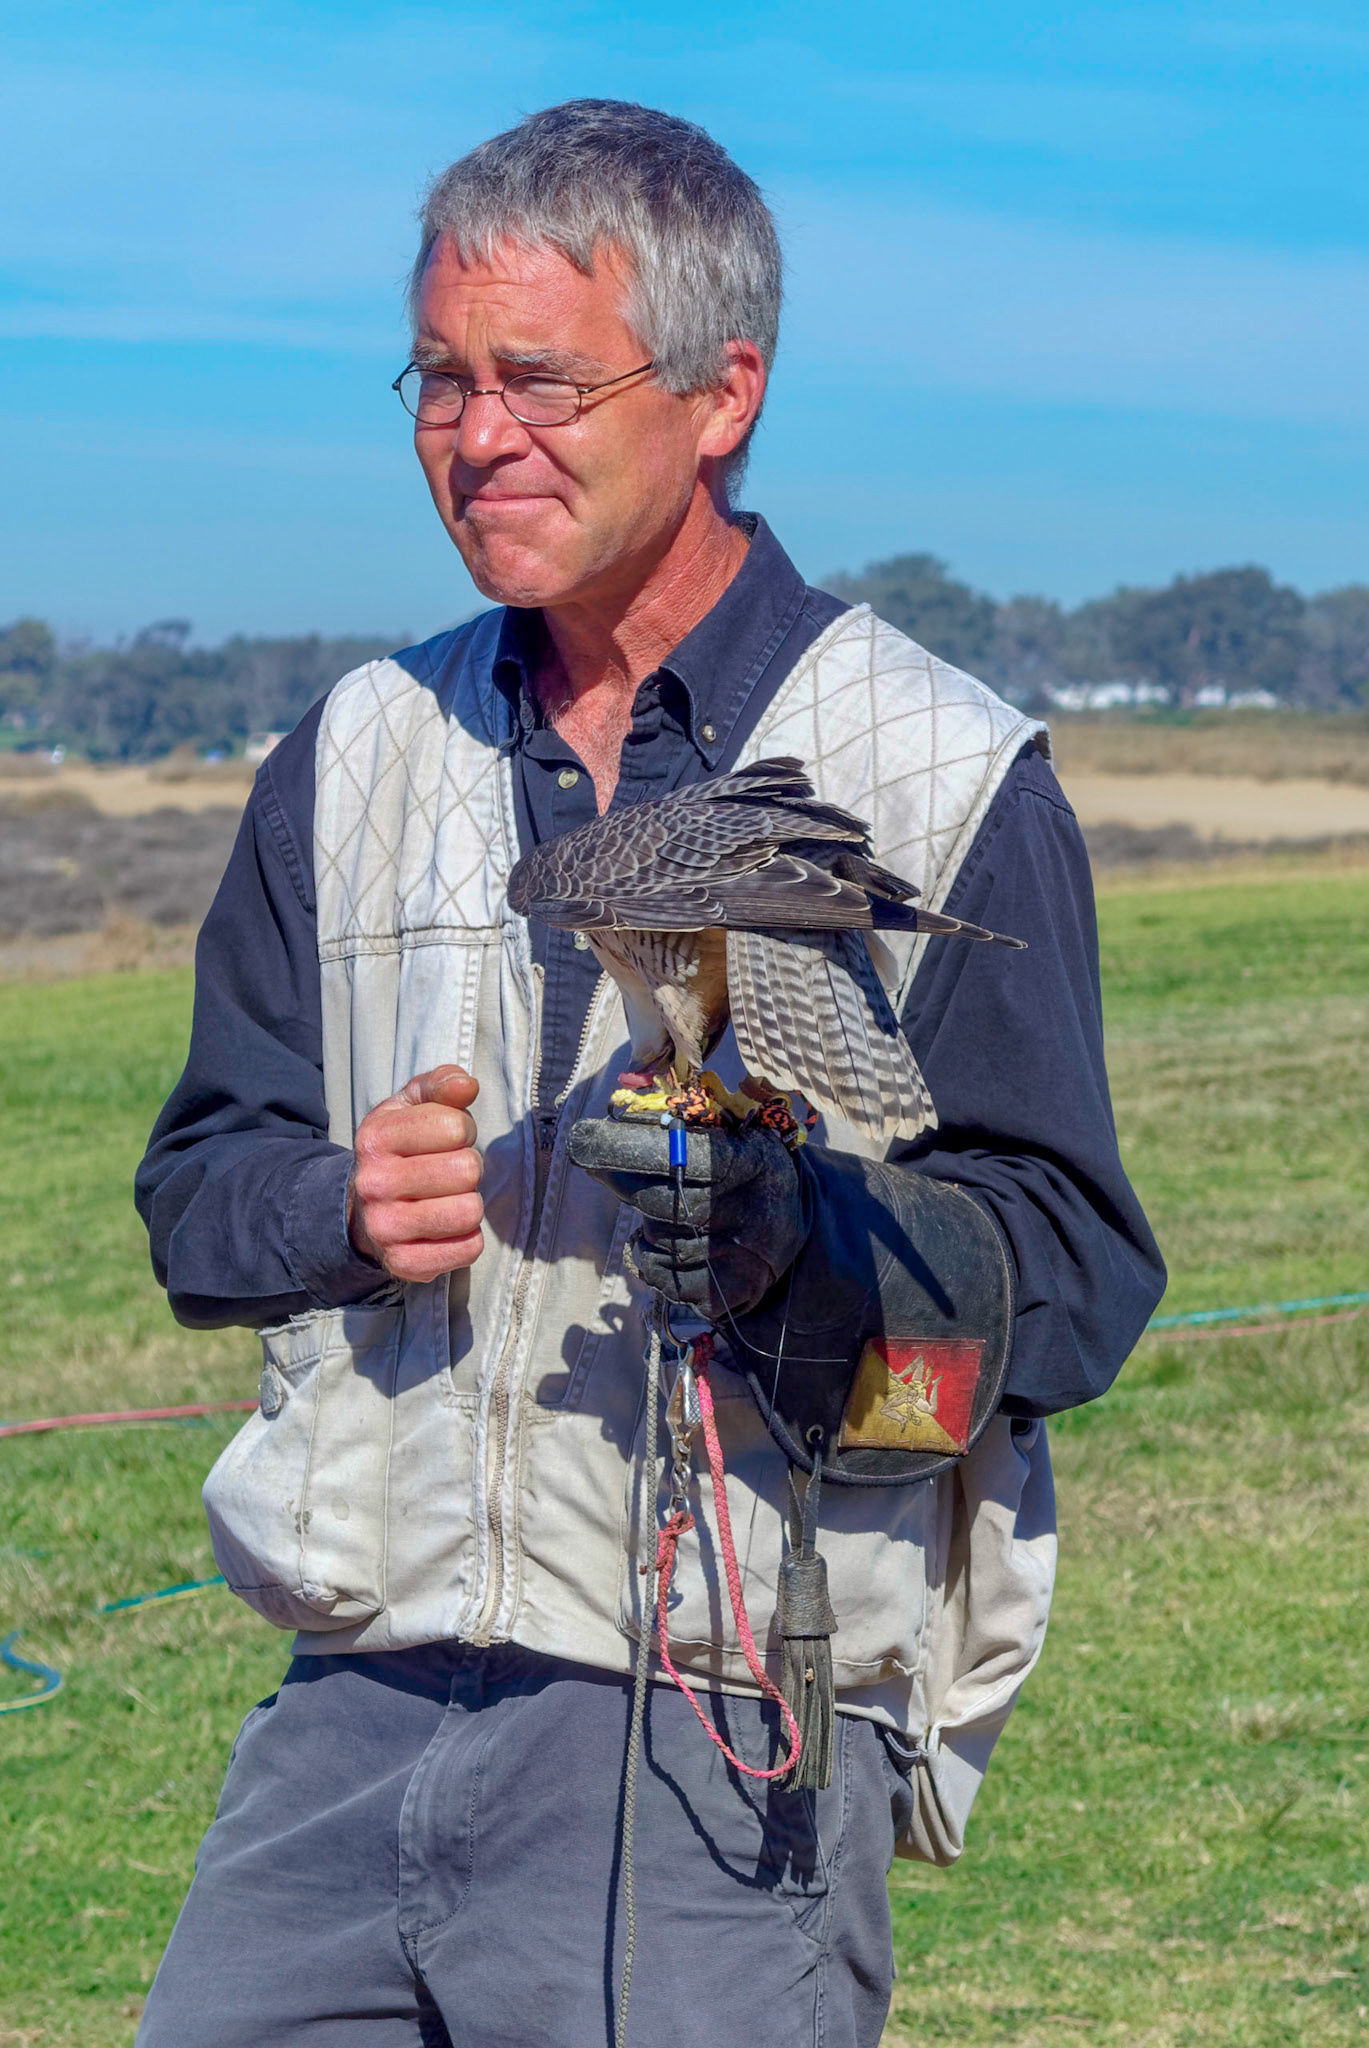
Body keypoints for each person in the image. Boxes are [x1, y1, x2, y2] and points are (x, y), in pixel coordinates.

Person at [134, 99, 1164, 2048]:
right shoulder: (351, 753)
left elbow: (1073, 1281)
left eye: (538, 376)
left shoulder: (940, 776)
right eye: (438, 376)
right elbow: (201, 1187)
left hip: (720, 1734)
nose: (474, 432)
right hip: (344, 1722)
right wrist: (336, 1204)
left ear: (720, 393)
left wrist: (802, 1238)